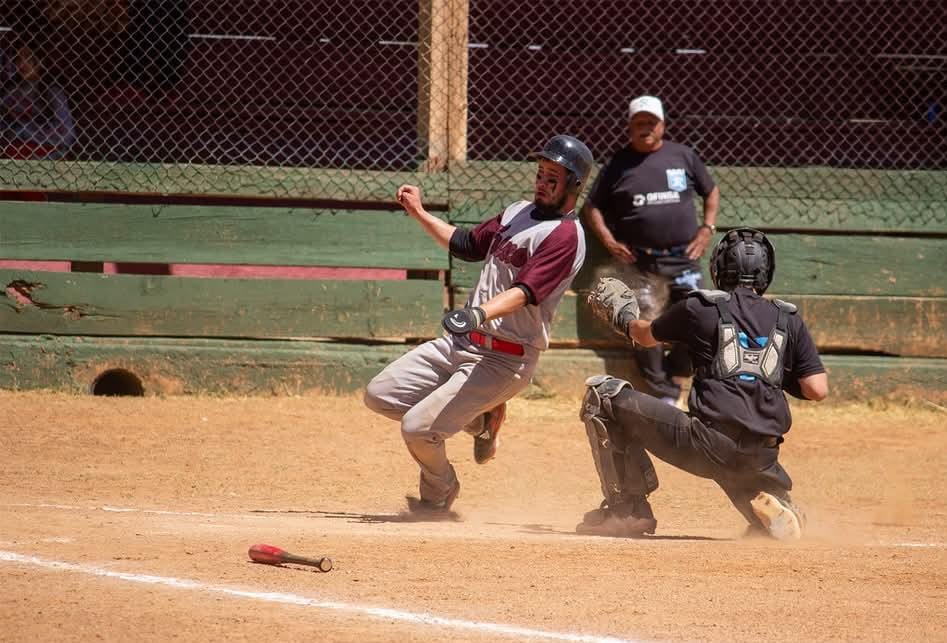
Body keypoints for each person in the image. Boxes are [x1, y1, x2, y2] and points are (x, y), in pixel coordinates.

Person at [364, 135, 594, 512]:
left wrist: (477, 313)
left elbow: (525, 291)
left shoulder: (567, 235)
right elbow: (468, 243)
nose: (542, 181)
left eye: (552, 176)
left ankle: (440, 492)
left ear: (574, 184)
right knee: (380, 395)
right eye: (540, 173)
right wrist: (419, 212)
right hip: (464, 343)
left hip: (505, 360)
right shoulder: (518, 211)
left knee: (418, 430)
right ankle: (483, 418)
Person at [577, 228, 828, 539]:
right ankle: (773, 503)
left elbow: (644, 336)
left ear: (719, 268)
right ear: (767, 272)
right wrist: (770, 373)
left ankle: (626, 510)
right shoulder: (788, 318)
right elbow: (817, 389)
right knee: (754, 491)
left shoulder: (702, 308)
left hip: (708, 444)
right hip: (762, 454)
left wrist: (624, 318)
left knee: (602, 395)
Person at [581, 95, 720, 405]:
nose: (645, 128)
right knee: (642, 327)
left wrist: (707, 229)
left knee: (702, 318)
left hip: (685, 260)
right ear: (630, 127)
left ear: (662, 125)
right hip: (641, 264)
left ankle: (677, 376)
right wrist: (608, 240)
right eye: (639, 122)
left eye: (651, 122)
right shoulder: (618, 164)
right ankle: (665, 395)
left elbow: (711, 191)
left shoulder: (683, 156)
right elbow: (592, 207)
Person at [1, 44, 75, 159]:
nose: (22, 64)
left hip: (46, 154)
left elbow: (67, 134)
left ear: (41, 61)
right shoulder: (11, 90)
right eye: (19, 59)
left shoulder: (51, 91)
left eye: (28, 57)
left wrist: (24, 130)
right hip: (12, 151)